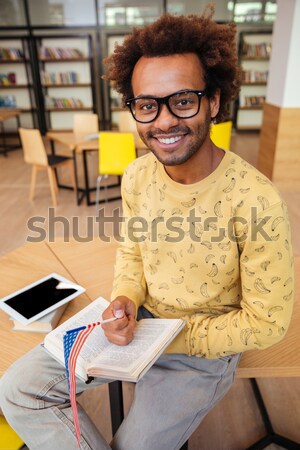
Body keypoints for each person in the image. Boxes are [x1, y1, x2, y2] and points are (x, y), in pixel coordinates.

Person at [0, 6, 294, 450]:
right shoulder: (137, 175)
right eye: (146, 105)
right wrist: (124, 299)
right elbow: (133, 253)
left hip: (201, 352)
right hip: (139, 324)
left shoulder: (257, 200)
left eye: (182, 101)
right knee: (19, 390)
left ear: (213, 101)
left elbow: (268, 323)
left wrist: (169, 341)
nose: (162, 121)